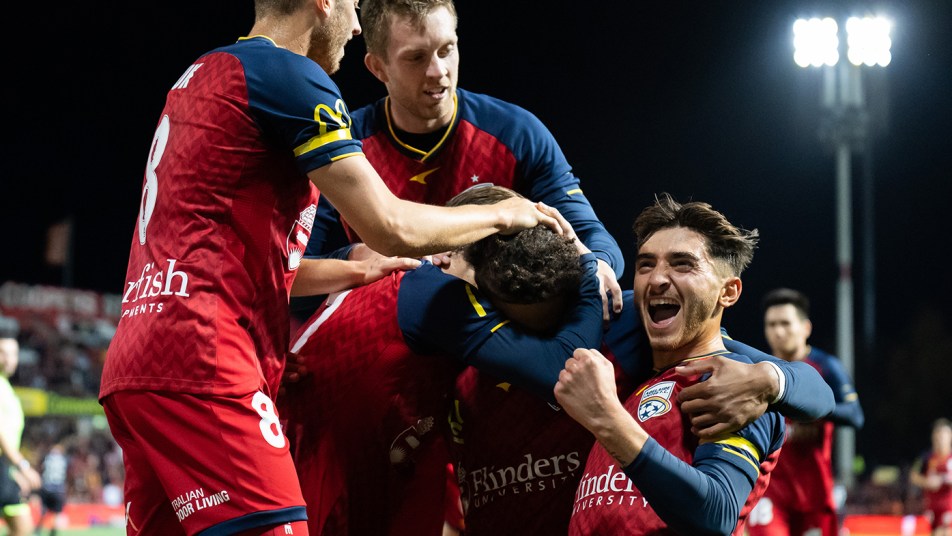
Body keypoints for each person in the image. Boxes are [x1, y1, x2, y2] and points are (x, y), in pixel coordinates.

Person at [97, 1, 564, 534]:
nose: (357, 23)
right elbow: (390, 225)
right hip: (205, 358)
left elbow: (236, 259)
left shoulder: (200, 75)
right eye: (350, 4)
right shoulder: (290, 75)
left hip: (137, 359)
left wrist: (354, 271)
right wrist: (504, 213)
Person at [280, 185, 606, 535]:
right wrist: (591, 268)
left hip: (356, 478)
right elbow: (562, 370)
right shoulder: (436, 290)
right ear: (446, 253)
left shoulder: (391, 272)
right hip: (312, 492)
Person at [296, 0, 625, 322]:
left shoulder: (515, 132)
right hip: (386, 339)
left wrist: (598, 263)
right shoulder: (339, 143)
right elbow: (296, 270)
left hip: (495, 339)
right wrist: (359, 256)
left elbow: (586, 230)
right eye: (416, 57)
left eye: (446, 49)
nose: (438, 71)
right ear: (377, 67)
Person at [553, 193, 786, 535]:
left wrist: (607, 419)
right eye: (646, 264)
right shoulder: (631, 382)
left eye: (682, 264)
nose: (657, 278)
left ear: (729, 292)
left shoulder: (734, 385)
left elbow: (716, 514)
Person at [748, 287, 865, 536]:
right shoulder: (757, 370)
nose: (778, 331)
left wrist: (813, 411)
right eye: (771, 324)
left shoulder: (826, 367)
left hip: (815, 493)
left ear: (806, 328)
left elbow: (855, 415)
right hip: (770, 491)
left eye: (785, 323)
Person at [0, 325, 42, 536]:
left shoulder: (6, 388)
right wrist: (22, 466)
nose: (9, 359)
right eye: (3, 353)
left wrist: (13, 470)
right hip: (5, 466)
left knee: (22, 529)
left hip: (4, 468)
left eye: (13, 354)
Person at [909, 418, 952, 536]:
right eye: (937, 435)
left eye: (943, 435)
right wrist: (926, 482)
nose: (940, 439)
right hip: (932, 507)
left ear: (950, 437)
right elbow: (913, 475)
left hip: (949, 507)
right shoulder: (926, 457)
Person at [35, 443, 70, 536]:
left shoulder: (47, 458)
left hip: (46, 487)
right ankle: (52, 533)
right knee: (57, 513)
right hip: (58, 489)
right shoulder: (63, 460)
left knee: (44, 511)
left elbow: (40, 469)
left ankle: (38, 529)